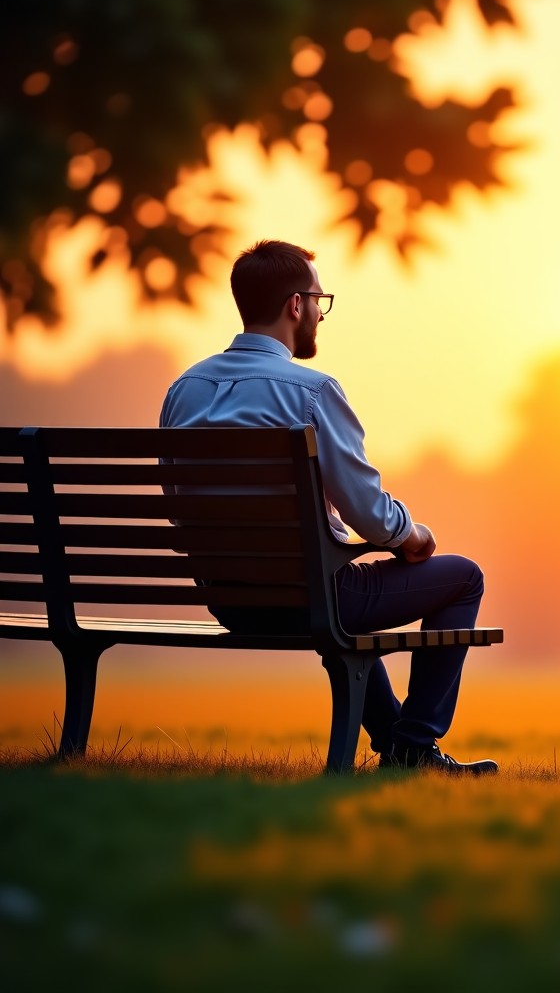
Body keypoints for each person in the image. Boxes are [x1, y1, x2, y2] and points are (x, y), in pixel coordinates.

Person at [159, 239, 497, 775]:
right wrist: (413, 535)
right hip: (309, 597)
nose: (321, 312)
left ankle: (400, 746)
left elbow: (177, 509)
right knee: (463, 577)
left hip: (229, 602)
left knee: (336, 596)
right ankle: (413, 746)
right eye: (320, 299)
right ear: (296, 305)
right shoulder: (312, 391)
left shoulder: (184, 390)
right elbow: (366, 511)